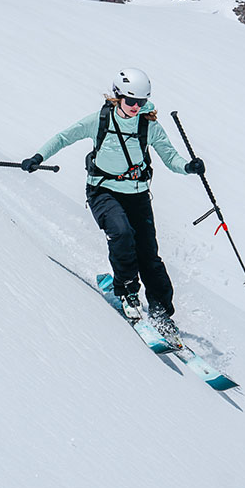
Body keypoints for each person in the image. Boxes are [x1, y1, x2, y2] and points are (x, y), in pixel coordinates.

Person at [20, 68, 204, 340]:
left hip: (138, 195)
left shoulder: (148, 125)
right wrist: (38, 156)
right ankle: (128, 291)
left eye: (141, 102)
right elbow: (63, 137)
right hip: (103, 191)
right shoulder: (100, 120)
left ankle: (161, 312)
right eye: (131, 101)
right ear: (117, 96)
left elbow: (170, 157)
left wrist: (189, 167)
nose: (135, 107)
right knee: (121, 233)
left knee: (148, 254)